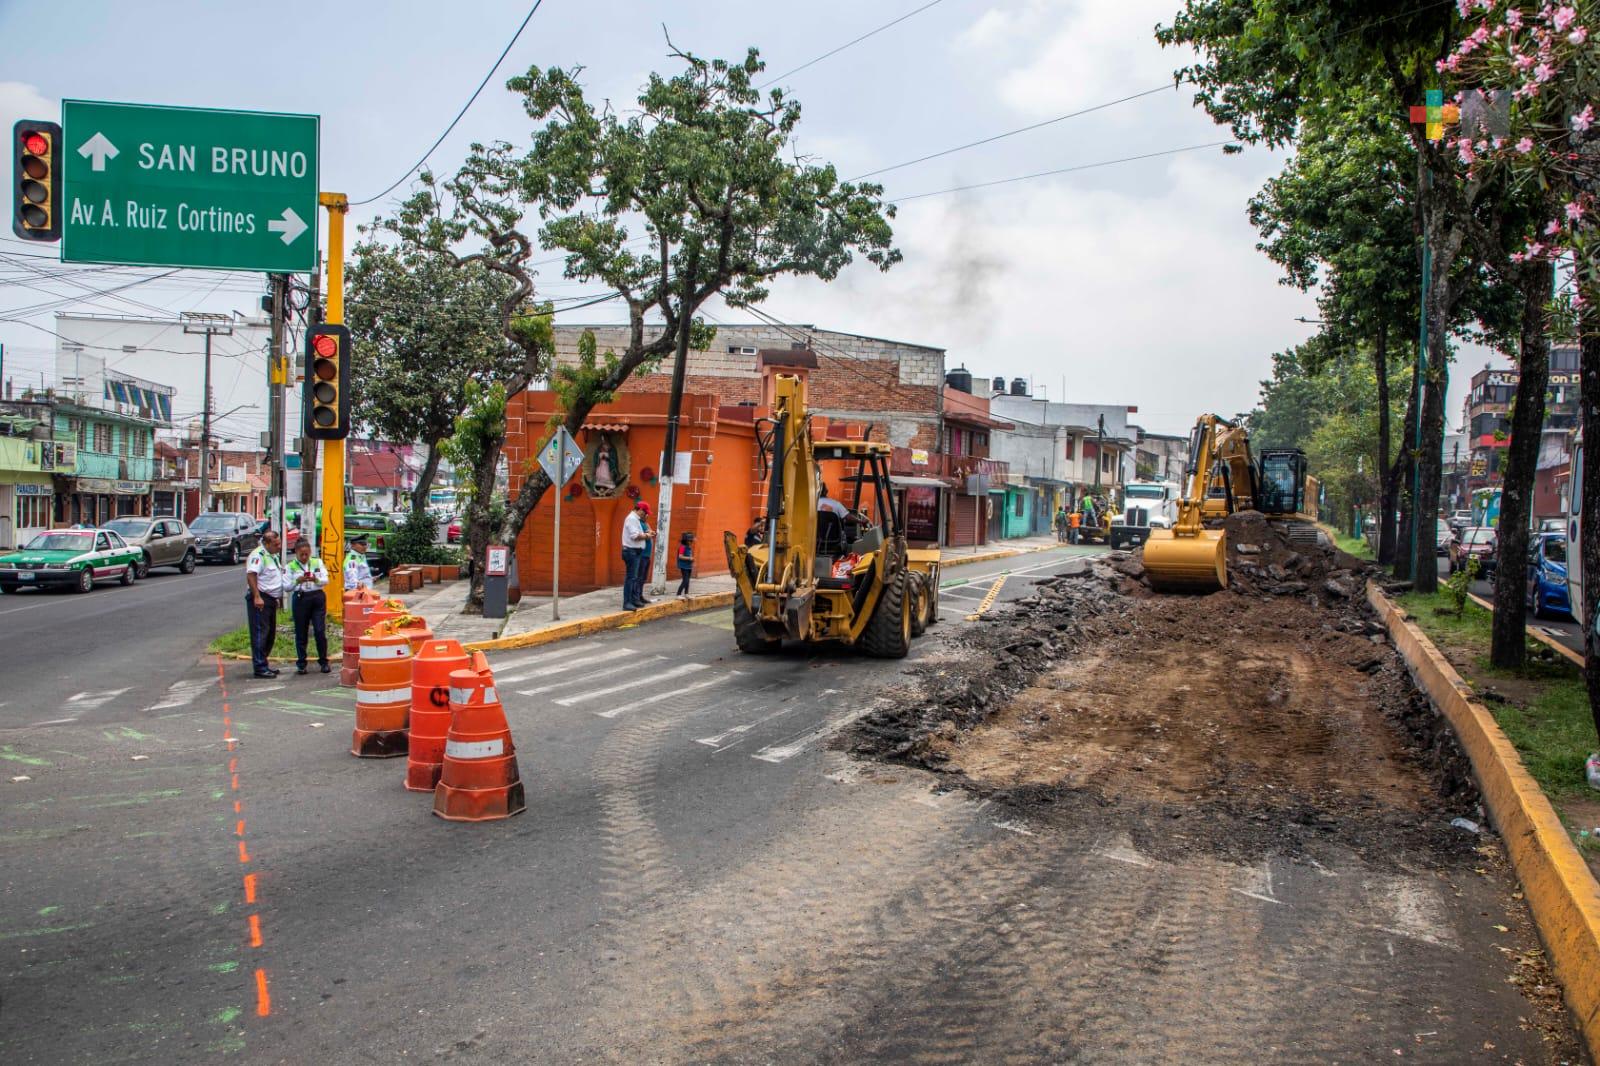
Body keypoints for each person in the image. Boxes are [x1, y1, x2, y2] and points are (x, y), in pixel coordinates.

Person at [245, 529, 285, 679]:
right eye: (276, 544)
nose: (279, 546)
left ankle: (264, 662)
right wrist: (257, 596)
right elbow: (251, 575)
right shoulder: (258, 555)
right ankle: (260, 666)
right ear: (267, 543)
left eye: (279, 542)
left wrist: (279, 599)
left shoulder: (272, 555)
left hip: (270, 599)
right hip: (260, 599)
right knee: (260, 633)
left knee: (269, 634)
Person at [287, 539, 331, 675]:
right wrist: (297, 581)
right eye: (301, 555)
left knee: (319, 630)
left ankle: (324, 661)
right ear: (296, 553)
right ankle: (301, 663)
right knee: (301, 632)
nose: (304, 557)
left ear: (310, 552)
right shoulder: (291, 566)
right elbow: (286, 586)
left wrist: (315, 580)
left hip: (317, 597)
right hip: (301, 598)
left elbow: (326, 580)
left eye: (306, 554)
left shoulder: (317, 562)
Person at [621, 499, 654, 610]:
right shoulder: (631, 519)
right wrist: (647, 536)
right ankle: (627, 603)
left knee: (634, 578)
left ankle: (632, 601)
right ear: (639, 509)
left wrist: (646, 534)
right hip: (631, 552)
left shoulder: (635, 519)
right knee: (631, 578)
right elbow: (635, 536)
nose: (645, 514)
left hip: (635, 552)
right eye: (645, 512)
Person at [675, 531, 695, 597]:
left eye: (691, 541)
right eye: (689, 541)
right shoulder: (682, 547)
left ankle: (686, 593)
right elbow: (680, 556)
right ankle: (678, 594)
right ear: (685, 540)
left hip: (689, 566)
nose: (691, 542)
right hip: (684, 566)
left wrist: (692, 560)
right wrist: (689, 558)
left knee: (688, 580)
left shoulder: (689, 547)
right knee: (685, 580)